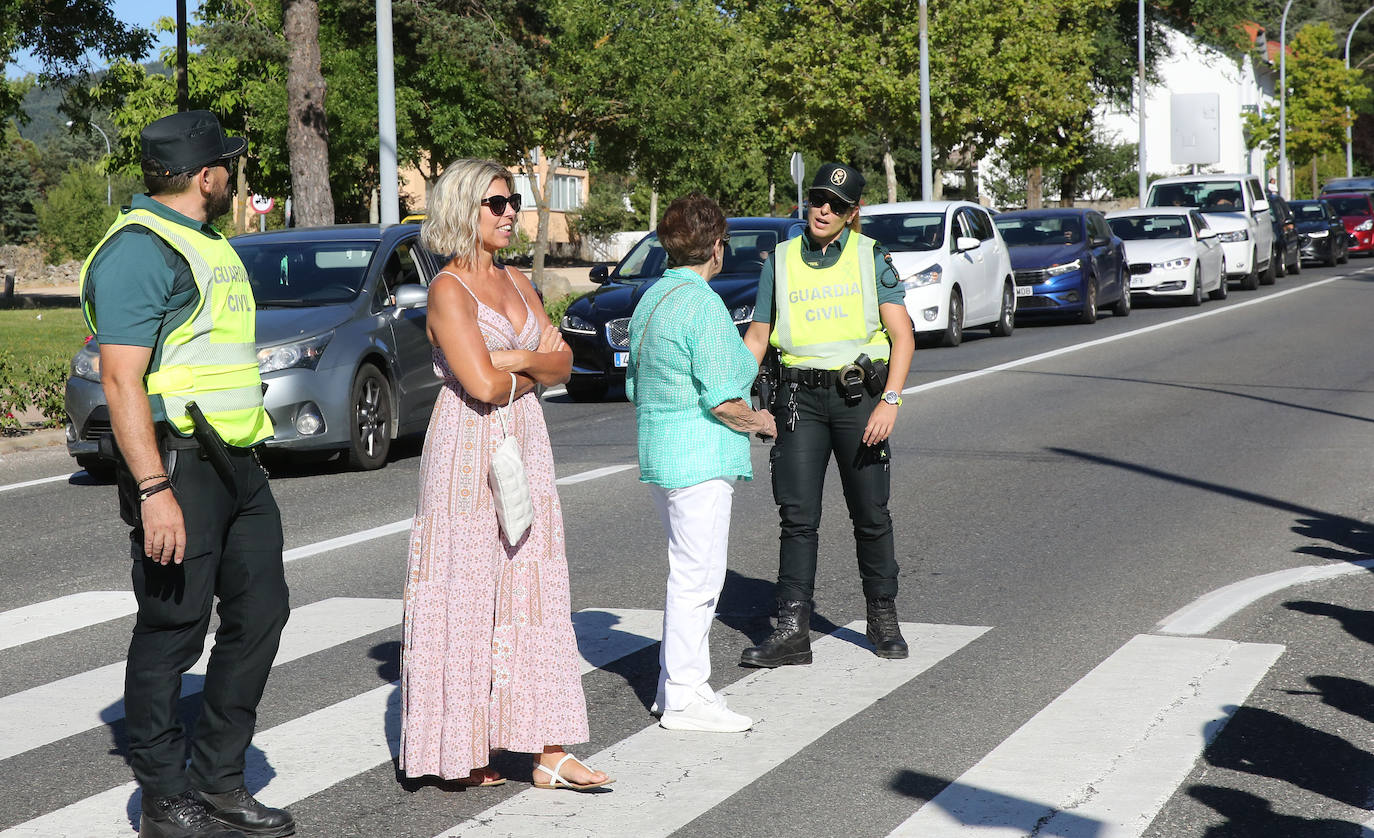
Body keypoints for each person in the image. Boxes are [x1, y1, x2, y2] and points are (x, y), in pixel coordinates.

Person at [79, 110, 293, 838]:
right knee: (173, 629)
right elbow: (119, 381)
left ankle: (220, 780)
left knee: (261, 611)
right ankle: (164, 798)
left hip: (236, 460)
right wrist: (152, 490)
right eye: (227, 164)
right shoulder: (139, 252)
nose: (232, 175)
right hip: (176, 466)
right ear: (205, 176)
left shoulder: (205, 241)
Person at [399, 158, 611, 792]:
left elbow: (566, 362)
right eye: (497, 203)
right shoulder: (447, 290)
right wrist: (529, 369)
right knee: (464, 591)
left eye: (513, 200)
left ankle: (549, 749)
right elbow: (482, 385)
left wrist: (518, 357)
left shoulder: (519, 280)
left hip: (526, 441)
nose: (510, 211)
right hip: (466, 447)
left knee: (534, 585)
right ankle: (460, 747)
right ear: (466, 210)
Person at [739, 162, 916, 668]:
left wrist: (891, 401)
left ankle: (883, 618)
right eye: (818, 198)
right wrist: (730, 393)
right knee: (797, 517)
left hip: (859, 400)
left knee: (871, 513)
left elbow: (902, 336)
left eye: (837, 204)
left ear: (852, 212)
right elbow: (757, 335)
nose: (824, 209)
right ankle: (793, 629)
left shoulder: (869, 255)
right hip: (799, 399)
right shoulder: (781, 258)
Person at [625, 193, 776, 733]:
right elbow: (724, 401)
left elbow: (633, 381)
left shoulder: (653, 297)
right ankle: (686, 696)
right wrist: (764, 422)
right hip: (699, 457)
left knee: (688, 572)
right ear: (716, 246)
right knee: (699, 578)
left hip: (661, 452)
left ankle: (677, 689)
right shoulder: (703, 305)